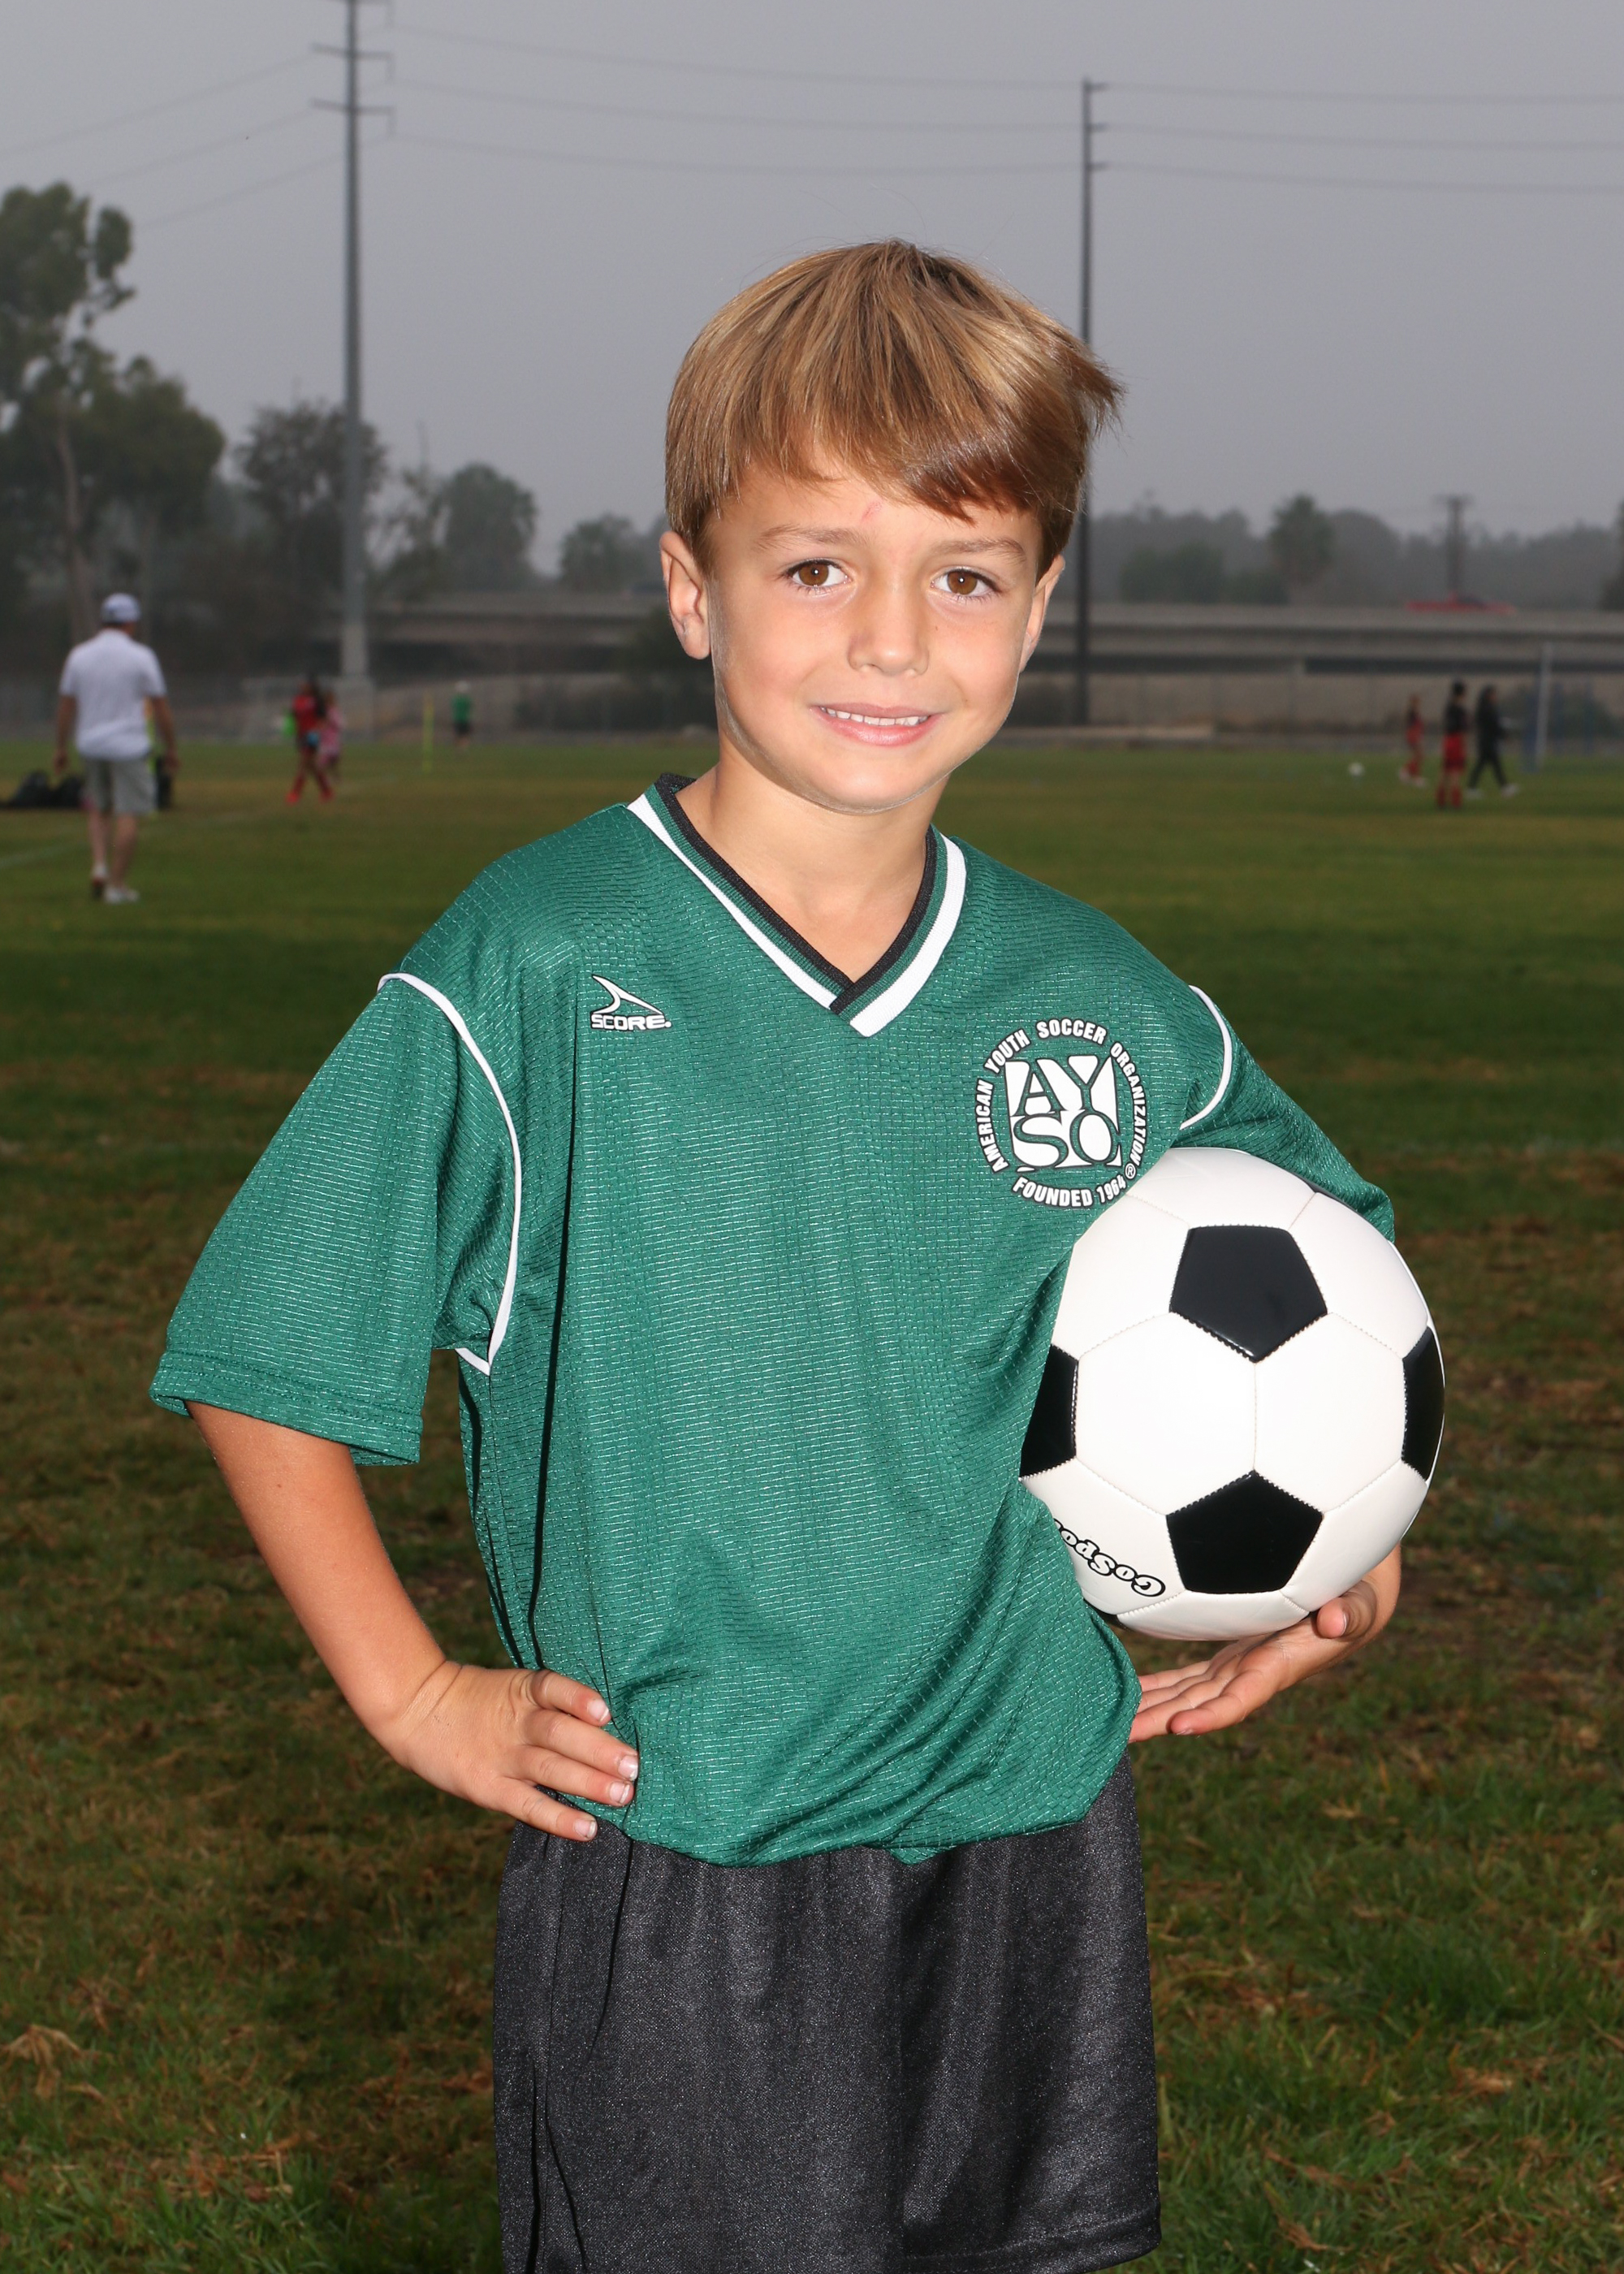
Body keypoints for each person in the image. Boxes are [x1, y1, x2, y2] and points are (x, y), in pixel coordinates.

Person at [151, 242, 1401, 2274]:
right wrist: (413, 1694)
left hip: (1033, 1827)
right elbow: (263, 1351)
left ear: (1038, 607)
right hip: (691, 1848)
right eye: (815, 565)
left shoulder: (1091, 992)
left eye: (964, 574)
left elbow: (1326, 1286)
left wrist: (1339, 1539)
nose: (890, 634)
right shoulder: (539, 958)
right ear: (691, 588)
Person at [54, 592, 177, 903]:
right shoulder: (141, 656)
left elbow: (66, 705)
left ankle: (99, 865)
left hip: (90, 743)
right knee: (128, 812)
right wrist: (171, 747)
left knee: (98, 809)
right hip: (129, 745)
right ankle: (117, 885)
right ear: (131, 622)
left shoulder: (79, 655)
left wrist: (60, 747)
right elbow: (160, 706)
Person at [287, 675, 333, 805]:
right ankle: (326, 791)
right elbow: (294, 716)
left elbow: (324, 718)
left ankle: (295, 794)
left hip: (312, 735)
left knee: (303, 763)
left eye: (305, 683)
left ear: (312, 685)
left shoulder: (316, 700)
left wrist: (317, 729)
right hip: (301, 735)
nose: (303, 685)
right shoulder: (298, 699)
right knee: (312, 766)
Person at [1469, 682, 1517, 798]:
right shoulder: (1488, 709)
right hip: (1488, 742)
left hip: (1485, 741)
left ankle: (1472, 788)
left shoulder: (1483, 708)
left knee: (1484, 765)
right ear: (1489, 695)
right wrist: (1505, 736)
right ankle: (1504, 787)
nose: (1495, 697)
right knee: (1493, 765)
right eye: (1494, 695)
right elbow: (1494, 726)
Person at [1437, 678, 1469, 810]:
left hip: (1447, 740)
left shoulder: (1448, 708)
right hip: (1456, 740)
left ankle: (1440, 800)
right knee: (1455, 771)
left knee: (1445, 770)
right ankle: (1456, 801)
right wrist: (1464, 747)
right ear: (1462, 693)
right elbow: (1463, 730)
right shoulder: (1460, 710)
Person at [1399, 693, 1426, 785]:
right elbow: (1412, 726)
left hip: (1415, 735)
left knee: (1418, 756)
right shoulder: (1412, 713)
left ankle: (1406, 771)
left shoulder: (1415, 713)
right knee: (1418, 755)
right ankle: (1414, 776)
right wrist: (1416, 736)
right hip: (1413, 735)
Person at [450, 681, 473, 750]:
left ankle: (458, 748)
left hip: (457, 719)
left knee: (458, 734)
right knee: (465, 735)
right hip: (465, 719)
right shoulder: (467, 700)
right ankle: (463, 748)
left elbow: (453, 707)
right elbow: (469, 708)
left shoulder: (456, 700)